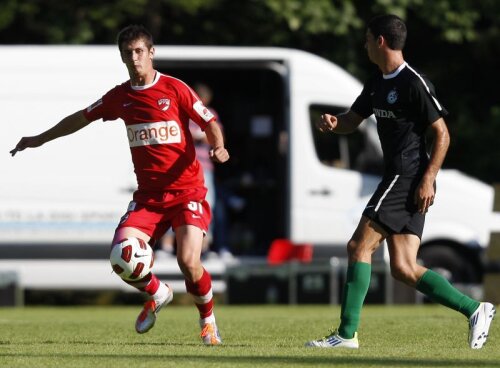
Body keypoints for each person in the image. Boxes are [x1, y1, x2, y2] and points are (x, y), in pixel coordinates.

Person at [10, 24, 229, 346]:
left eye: (140, 51)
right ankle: (157, 292)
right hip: (149, 197)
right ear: (122, 57)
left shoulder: (174, 88)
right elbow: (81, 117)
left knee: (188, 261)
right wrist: (39, 139)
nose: (135, 58)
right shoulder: (120, 97)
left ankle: (208, 322)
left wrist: (218, 146)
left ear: (151, 53)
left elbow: (208, 121)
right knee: (120, 256)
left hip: (186, 192)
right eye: (128, 53)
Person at [305, 14, 495, 349]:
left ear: (380, 41)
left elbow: (442, 134)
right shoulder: (377, 80)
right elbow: (353, 119)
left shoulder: (412, 82)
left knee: (357, 246)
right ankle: (474, 308)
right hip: (402, 177)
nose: (364, 45)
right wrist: (336, 123)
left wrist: (428, 179)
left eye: (367, 39)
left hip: (406, 176)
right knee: (404, 268)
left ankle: (346, 335)